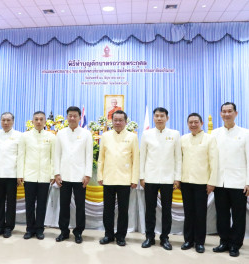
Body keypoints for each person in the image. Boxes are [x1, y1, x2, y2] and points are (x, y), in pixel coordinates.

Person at [140, 107, 181, 250]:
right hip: (150, 178)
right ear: (153, 118)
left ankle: (165, 238)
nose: (159, 118)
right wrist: (142, 177)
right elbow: (142, 157)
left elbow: (178, 158)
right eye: (156, 116)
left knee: (166, 210)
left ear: (167, 118)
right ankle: (149, 237)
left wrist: (177, 178)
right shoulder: (146, 134)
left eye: (162, 116)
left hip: (168, 179)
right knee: (150, 210)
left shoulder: (175, 134)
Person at [211, 102, 249, 257]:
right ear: (220, 114)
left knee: (239, 216)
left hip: (239, 182)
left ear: (236, 113)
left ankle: (235, 244)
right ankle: (224, 242)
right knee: (222, 215)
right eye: (224, 111)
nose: (227, 114)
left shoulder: (245, 133)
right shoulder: (214, 134)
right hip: (220, 182)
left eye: (230, 111)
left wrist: (248, 181)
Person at [97, 110, 139, 246]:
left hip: (125, 180)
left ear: (125, 122)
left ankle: (121, 236)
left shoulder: (132, 137)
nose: (118, 122)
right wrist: (100, 175)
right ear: (111, 121)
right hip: (108, 178)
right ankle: (108, 235)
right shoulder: (105, 136)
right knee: (107, 210)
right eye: (115, 120)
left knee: (123, 210)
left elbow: (136, 160)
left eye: (121, 120)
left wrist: (134, 180)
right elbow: (101, 158)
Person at [54, 106, 93, 244]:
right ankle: (64, 231)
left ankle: (78, 232)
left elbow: (89, 155)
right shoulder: (60, 133)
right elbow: (57, 155)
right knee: (63, 205)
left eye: (75, 116)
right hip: (64, 176)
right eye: (69, 115)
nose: (72, 118)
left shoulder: (86, 134)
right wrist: (57, 173)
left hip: (80, 176)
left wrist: (88, 174)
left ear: (79, 117)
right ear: (67, 117)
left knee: (80, 206)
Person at [180, 113, 218, 253]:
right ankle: (188, 240)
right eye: (190, 122)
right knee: (188, 213)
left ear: (201, 123)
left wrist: (211, 182)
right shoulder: (183, 139)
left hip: (202, 183)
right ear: (187, 124)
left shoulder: (210, 139)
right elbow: (179, 160)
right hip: (186, 182)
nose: (193, 124)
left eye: (196, 122)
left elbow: (214, 162)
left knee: (200, 213)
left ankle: (199, 242)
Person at [17, 111, 55, 240]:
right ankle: (29, 229)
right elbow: (21, 156)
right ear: (32, 121)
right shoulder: (25, 136)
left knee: (42, 204)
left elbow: (53, 157)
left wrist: (52, 174)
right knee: (29, 204)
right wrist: (20, 174)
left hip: (44, 177)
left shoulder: (51, 137)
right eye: (36, 119)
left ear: (45, 122)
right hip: (29, 175)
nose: (38, 122)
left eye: (41, 119)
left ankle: (39, 229)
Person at [0, 112, 21, 238]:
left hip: (12, 174)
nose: (6, 122)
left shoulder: (19, 135)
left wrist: (19, 174)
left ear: (13, 122)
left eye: (8, 120)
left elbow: (20, 156)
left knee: (11, 203)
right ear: (0, 121)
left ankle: (9, 227)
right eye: (3, 120)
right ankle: (0, 226)